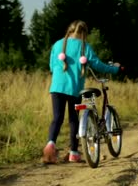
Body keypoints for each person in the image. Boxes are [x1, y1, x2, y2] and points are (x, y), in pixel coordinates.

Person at [42, 20, 120, 164]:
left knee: (57, 118)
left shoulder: (58, 44)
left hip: (56, 88)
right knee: (73, 120)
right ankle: (73, 153)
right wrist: (115, 68)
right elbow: (98, 65)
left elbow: (52, 66)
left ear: (69, 30)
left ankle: (50, 143)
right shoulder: (85, 47)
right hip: (75, 89)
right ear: (84, 33)